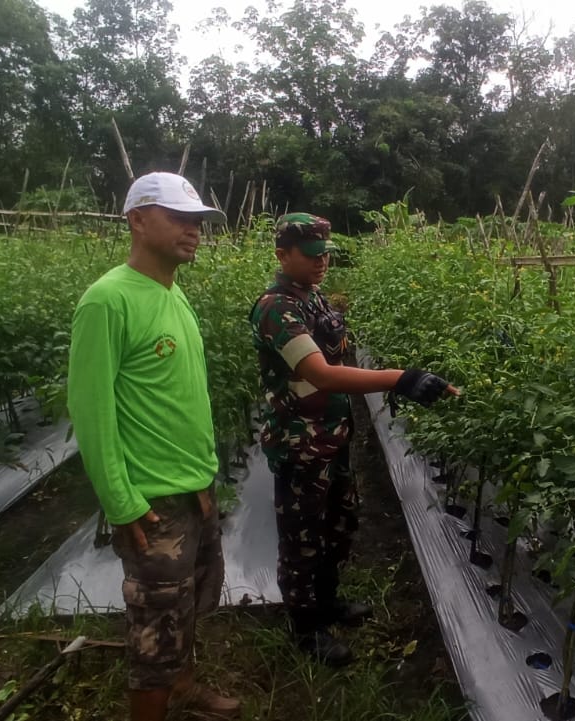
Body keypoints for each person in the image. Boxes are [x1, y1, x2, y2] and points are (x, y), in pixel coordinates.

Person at [67, 172, 239, 720]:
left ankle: (185, 687)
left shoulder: (173, 293)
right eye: (179, 219)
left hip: (195, 489)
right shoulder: (108, 300)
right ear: (137, 220)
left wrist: (207, 480)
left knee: (186, 610)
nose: (193, 232)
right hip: (152, 503)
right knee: (153, 636)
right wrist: (122, 503)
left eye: (197, 222)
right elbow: (91, 412)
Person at [250, 212, 458, 666]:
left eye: (325, 254)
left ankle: (327, 602)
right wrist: (400, 378)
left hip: (333, 435)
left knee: (338, 525)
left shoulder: (315, 297)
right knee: (303, 537)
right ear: (282, 254)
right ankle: (306, 628)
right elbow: (320, 374)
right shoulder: (276, 307)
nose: (321, 263)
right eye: (310, 256)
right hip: (301, 443)